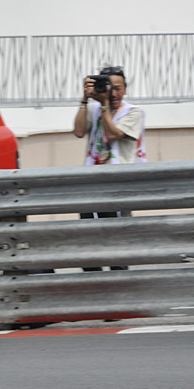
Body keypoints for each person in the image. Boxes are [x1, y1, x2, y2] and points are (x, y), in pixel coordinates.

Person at [72, 66, 146, 271]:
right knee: (90, 237)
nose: (113, 93)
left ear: (125, 90)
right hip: (92, 182)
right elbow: (78, 131)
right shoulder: (94, 109)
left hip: (120, 184)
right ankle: (93, 279)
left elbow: (113, 134)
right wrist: (84, 100)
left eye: (118, 88)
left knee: (118, 238)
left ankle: (118, 280)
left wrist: (103, 104)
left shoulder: (134, 112)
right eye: (108, 88)